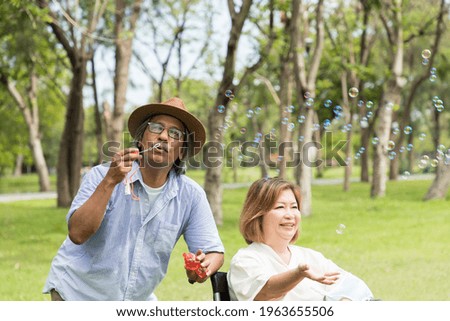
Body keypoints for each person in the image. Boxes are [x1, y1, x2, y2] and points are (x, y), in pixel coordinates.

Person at [43, 97, 224, 300]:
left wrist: (202, 268)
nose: (164, 136)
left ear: (181, 151)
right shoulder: (102, 176)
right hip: (78, 293)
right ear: (140, 140)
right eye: (156, 128)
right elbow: (77, 233)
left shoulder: (190, 195)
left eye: (175, 133)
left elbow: (213, 252)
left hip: (135, 300)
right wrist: (110, 181)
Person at [227, 177, 373, 301]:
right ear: (257, 215)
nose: (290, 214)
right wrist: (298, 274)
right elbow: (265, 292)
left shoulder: (310, 257)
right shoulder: (246, 260)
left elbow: (352, 288)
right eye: (280, 207)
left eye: (294, 207)